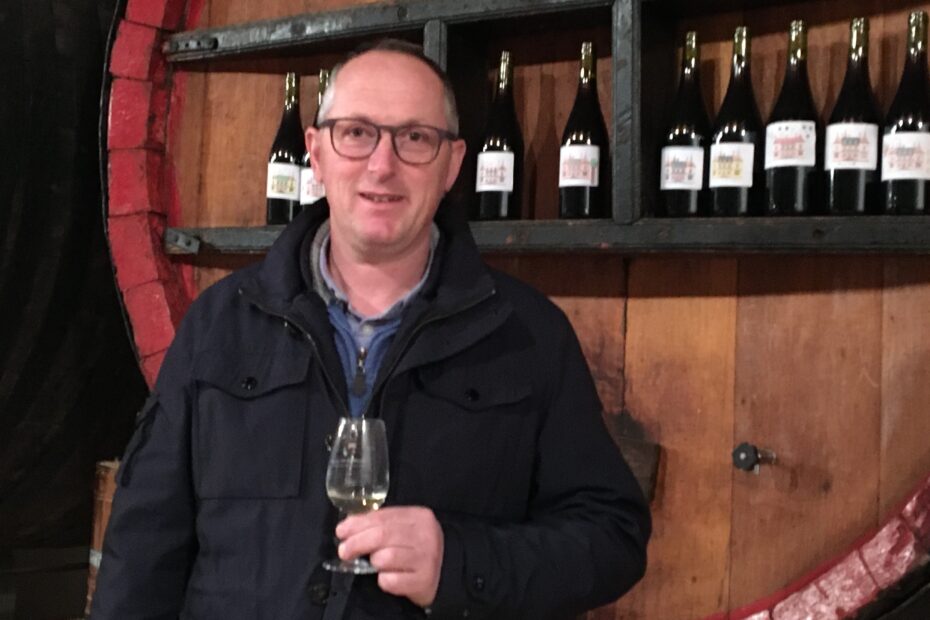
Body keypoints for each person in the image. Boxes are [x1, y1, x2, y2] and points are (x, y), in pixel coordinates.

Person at [91, 39, 650, 620]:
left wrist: (460, 563)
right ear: (316, 153)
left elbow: (612, 536)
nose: (382, 165)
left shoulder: (527, 333)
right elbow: (142, 548)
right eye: (356, 133)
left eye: (415, 138)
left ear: (452, 164)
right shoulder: (220, 321)